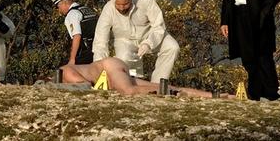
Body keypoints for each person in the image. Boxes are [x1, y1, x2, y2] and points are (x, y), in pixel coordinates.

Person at [93, 0, 180, 83]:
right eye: (118, 5)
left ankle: (158, 85)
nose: (121, 8)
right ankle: (130, 84)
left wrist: (149, 43)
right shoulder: (108, 9)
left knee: (172, 47)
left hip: (149, 35)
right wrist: (99, 67)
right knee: (124, 58)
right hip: (124, 40)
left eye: (125, 4)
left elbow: (159, 25)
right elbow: (100, 40)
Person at [59, 57, 215, 98]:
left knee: (129, 91)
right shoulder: (64, 73)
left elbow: (85, 85)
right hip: (111, 71)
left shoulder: (65, 72)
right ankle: (215, 96)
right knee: (157, 86)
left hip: (109, 67)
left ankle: (169, 92)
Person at [51, 0, 97, 65]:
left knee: (62, 70)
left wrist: (72, 59)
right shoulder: (86, 9)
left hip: (87, 52)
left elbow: (77, 36)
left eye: (59, 7)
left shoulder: (72, 14)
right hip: (99, 49)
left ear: (64, 3)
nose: (59, 10)